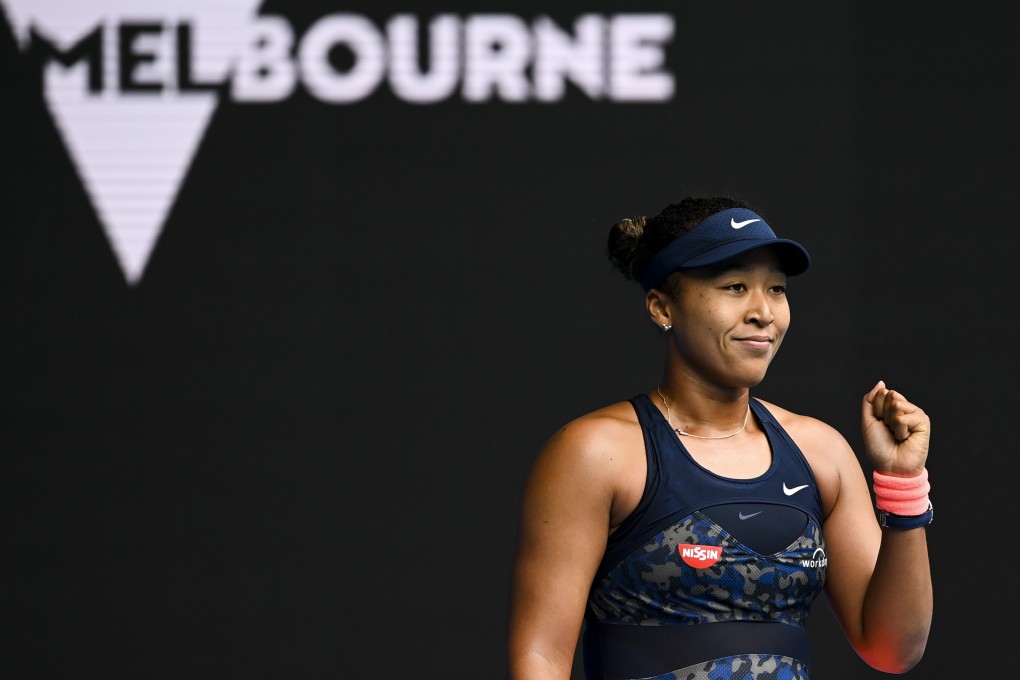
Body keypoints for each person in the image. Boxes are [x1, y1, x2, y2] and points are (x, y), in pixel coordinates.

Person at [506, 196, 933, 680]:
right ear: (662, 306)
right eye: (735, 287)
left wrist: (904, 484)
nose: (763, 312)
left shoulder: (820, 452)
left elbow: (894, 649)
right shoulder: (597, 452)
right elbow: (539, 658)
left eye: (776, 289)